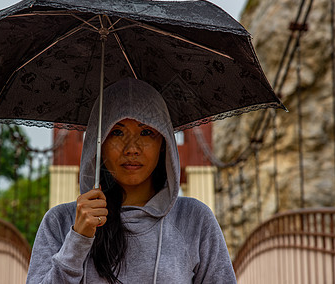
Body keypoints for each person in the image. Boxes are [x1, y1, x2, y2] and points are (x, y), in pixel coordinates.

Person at [26, 78, 236, 283]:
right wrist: (78, 240)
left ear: (164, 143)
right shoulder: (60, 222)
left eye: (146, 132)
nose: (132, 148)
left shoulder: (194, 220)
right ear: (98, 143)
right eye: (117, 132)